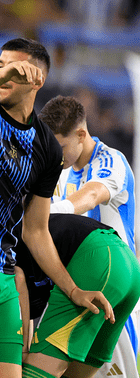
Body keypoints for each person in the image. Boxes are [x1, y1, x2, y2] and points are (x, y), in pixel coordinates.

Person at [0, 38, 113, 378]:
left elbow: (36, 229)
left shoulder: (47, 149)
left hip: (4, 278)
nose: (3, 74)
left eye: (14, 70)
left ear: (38, 81)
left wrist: (73, 289)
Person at [39, 95, 139, 378]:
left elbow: (92, 195)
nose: (55, 156)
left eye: (60, 147)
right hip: (74, 290)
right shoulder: (59, 171)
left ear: (82, 134)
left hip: (113, 294)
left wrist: (47, 213)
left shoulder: (110, 160)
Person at [14, 214, 140, 378]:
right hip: (127, 266)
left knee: (35, 373)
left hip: (97, 260)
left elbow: (18, 280)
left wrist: (22, 350)